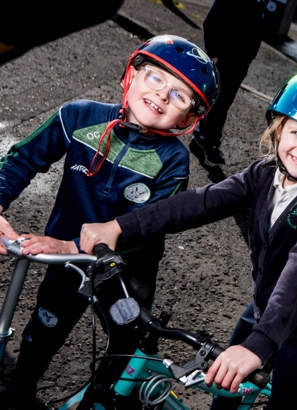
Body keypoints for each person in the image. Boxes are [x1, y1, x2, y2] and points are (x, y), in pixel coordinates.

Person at [79, 70, 297, 409]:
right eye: (296, 132)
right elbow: (202, 202)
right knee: (224, 389)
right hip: (262, 307)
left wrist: (259, 344)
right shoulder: (264, 174)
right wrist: (121, 226)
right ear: (279, 129)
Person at [0, 35, 219, 409]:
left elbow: (150, 225)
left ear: (189, 118)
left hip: (127, 268)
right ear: (131, 74)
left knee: (125, 334)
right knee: (47, 325)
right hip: (66, 263)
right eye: (155, 79)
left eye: (180, 96)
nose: (163, 96)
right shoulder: (79, 116)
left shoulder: (173, 161)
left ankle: (103, 397)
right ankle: (21, 390)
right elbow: (22, 160)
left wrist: (71, 246)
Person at [189, 0, 265, 172]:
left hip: (239, 65)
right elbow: (210, 22)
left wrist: (248, 59)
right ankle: (209, 144)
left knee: (223, 105)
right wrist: (213, 52)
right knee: (217, 104)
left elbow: (256, 33)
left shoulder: (259, 3)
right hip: (223, 61)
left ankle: (205, 140)